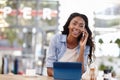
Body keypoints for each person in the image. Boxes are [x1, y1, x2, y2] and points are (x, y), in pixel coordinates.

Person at [46, 12, 95, 77]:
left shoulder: (85, 45)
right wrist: (66, 76)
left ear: (84, 30)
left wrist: (82, 48)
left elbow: (81, 72)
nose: (77, 27)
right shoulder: (56, 39)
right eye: (74, 24)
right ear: (68, 25)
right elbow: (49, 70)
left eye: (81, 26)